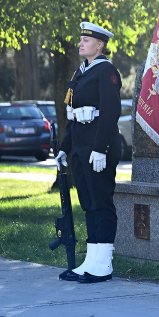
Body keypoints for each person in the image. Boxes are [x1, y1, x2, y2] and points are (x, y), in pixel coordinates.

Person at [55, 22, 123, 283]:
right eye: (81, 39)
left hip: (98, 147)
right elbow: (74, 115)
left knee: (101, 203)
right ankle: (92, 260)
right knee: (88, 204)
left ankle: (103, 263)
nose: (81, 43)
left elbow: (110, 112)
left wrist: (101, 148)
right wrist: (65, 148)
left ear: (100, 45)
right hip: (81, 146)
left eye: (86, 40)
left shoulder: (106, 71)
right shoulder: (81, 71)